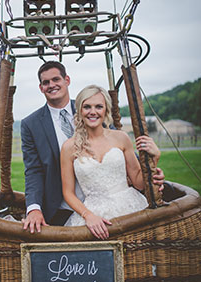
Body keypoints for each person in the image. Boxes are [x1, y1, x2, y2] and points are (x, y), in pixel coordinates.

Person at [21, 61, 164, 233]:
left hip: (124, 203)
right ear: (41, 87)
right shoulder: (31, 125)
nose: (51, 85)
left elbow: (127, 165)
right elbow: (33, 171)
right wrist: (34, 208)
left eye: (56, 79)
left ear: (67, 80)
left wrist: (152, 167)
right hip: (67, 208)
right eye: (46, 82)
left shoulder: (93, 108)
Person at [61, 84, 161, 239]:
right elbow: (68, 193)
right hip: (94, 213)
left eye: (98, 107)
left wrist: (154, 157)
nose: (92, 112)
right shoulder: (68, 147)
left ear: (106, 110)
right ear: (79, 110)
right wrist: (88, 216)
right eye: (87, 107)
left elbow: (139, 182)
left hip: (130, 207)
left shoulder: (121, 138)